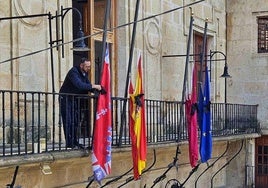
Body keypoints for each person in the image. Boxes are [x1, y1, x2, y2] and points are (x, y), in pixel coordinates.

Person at [59, 57, 102, 148]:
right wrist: (94, 86)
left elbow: (88, 86)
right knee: (68, 121)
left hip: (74, 99)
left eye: (89, 67)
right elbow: (79, 85)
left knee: (75, 121)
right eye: (87, 66)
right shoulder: (73, 72)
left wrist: (100, 91)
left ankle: (75, 141)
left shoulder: (84, 74)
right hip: (66, 98)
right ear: (81, 65)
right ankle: (70, 143)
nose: (88, 69)